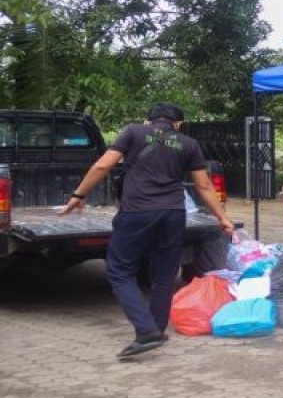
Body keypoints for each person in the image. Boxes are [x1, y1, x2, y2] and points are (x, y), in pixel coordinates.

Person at [58, 103, 235, 359]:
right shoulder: (188, 143)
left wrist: (79, 194)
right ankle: (157, 330)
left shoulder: (132, 132)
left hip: (136, 213)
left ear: (147, 121)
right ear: (178, 124)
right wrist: (223, 217)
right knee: (163, 276)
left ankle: (146, 330)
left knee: (119, 271)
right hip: (173, 214)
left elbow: (102, 166)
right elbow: (204, 185)